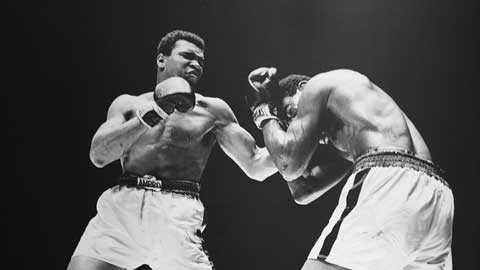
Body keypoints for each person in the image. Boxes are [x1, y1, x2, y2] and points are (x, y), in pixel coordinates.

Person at [67, 30, 278, 270]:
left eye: (201, 61)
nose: (196, 63)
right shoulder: (128, 104)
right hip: (122, 209)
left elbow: (256, 164)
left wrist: (286, 128)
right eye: (188, 56)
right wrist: (153, 114)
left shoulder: (213, 110)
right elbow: (99, 155)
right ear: (161, 60)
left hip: (177, 213)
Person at [247, 67, 454, 270]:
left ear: (302, 87)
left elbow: (288, 165)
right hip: (437, 199)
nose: (295, 125)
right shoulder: (356, 133)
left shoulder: (318, 85)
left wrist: (264, 110)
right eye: (288, 123)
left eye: (291, 112)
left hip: (390, 180)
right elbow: (303, 189)